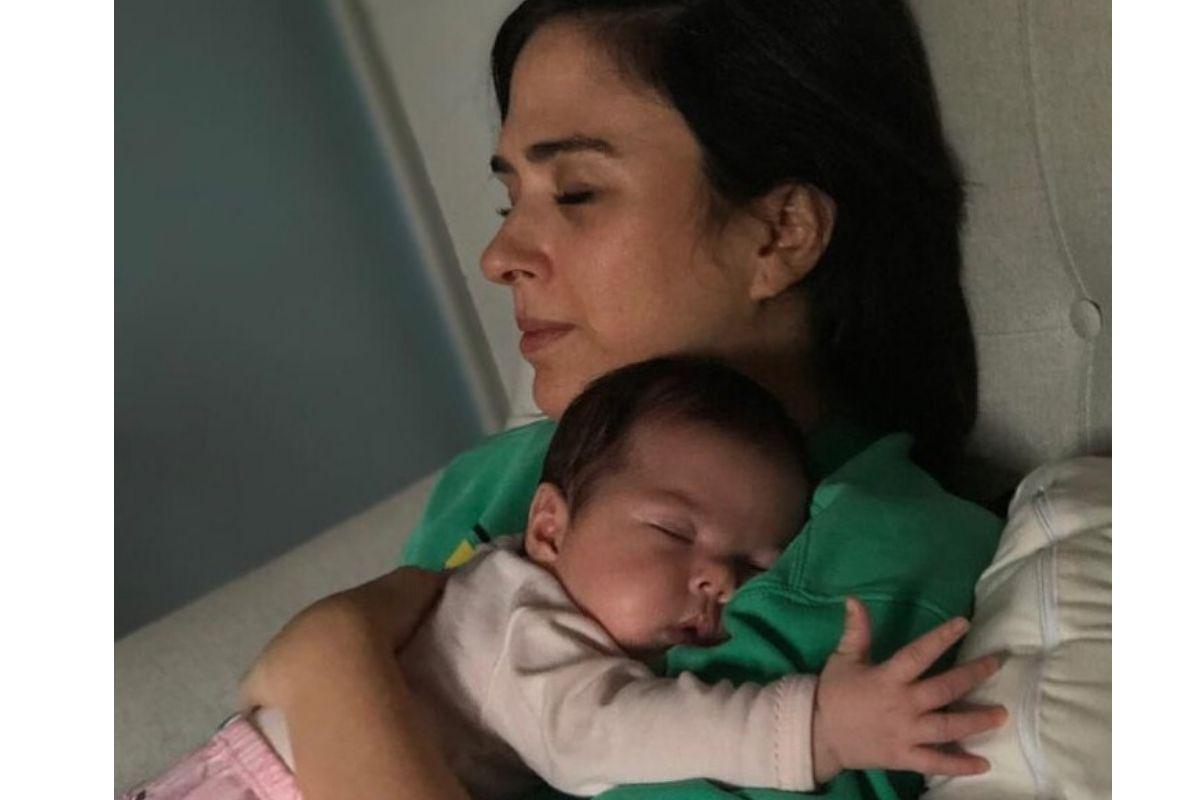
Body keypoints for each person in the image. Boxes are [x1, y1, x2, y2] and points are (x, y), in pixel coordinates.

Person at [237, 2, 1004, 799]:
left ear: (780, 231)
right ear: (549, 521)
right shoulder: (498, 481)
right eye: (509, 200)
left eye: (575, 193)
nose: (498, 256)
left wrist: (332, 659)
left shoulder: (876, 555)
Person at [128, 358, 1003, 800]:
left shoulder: (500, 585)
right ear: (549, 527)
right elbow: (618, 731)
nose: (716, 581)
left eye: (750, 569)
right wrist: (819, 726)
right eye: (674, 533)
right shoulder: (530, 630)